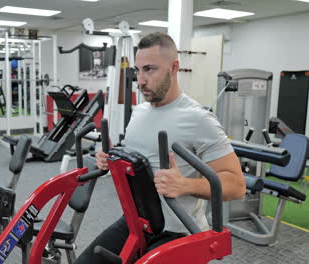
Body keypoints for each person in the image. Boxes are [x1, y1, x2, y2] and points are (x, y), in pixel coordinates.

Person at [74, 33, 246, 263]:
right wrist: (111, 157)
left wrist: (184, 185)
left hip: (179, 231)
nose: (141, 80)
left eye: (149, 69)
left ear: (174, 67)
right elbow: (138, 160)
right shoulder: (140, 112)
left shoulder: (199, 119)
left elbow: (236, 185)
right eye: (138, 70)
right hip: (138, 221)